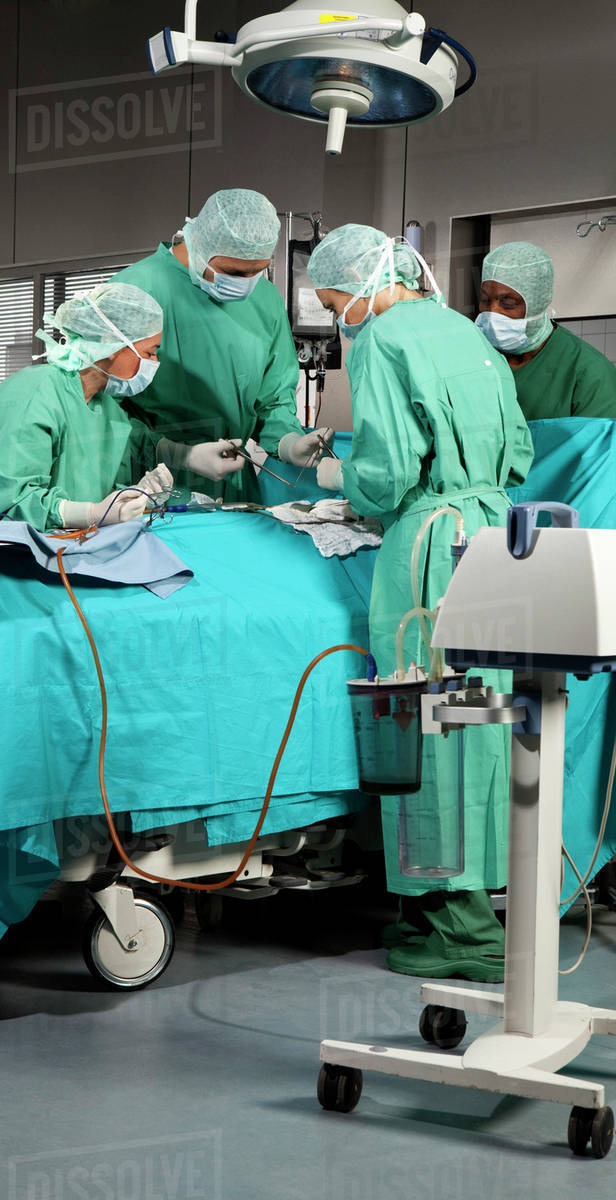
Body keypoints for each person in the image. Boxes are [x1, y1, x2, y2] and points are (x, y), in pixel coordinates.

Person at [309, 224, 535, 983]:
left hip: (433, 547)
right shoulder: (463, 333)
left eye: (335, 300)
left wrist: (340, 478)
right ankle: (474, 900)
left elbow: (389, 469)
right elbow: (520, 452)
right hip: (497, 537)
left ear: (366, 285)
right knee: (481, 716)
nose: (338, 315)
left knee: (427, 723)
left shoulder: (381, 337)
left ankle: (451, 923)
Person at [114, 188, 333, 501]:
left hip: (236, 487)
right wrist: (178, 453)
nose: (246, 283)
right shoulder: (134, 291)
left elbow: (272, 400)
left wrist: (288, 442)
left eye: (257, 271)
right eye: (234, 272)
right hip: (152, 485)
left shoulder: (265, 300)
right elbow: (101, 411)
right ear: (199, 244)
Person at [0, 282, 175, 531]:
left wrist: (134, 500)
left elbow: (103, 489)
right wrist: (94, 513)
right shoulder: (34, 393)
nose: (154, 363)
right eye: (150, 353)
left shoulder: (109, 410)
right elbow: (10, 503)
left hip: (64, 549)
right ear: (112, 345)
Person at [476, 241, 616, 419]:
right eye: (485, 300)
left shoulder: (589, 372)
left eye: (508, 303)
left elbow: (597, 444)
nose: (493, 312)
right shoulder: (475, 358)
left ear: (537, 303)